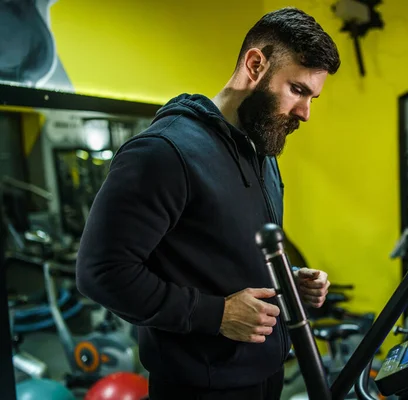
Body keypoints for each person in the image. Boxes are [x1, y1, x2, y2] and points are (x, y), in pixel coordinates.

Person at [75, 6, 341, 400]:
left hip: (265, 375)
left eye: (312, 97)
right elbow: (101, 272)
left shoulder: (261, 153)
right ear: (255, 64)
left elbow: (229, 252)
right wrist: (216, 315)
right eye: (298, 90)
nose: (305, 112)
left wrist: (292, 279)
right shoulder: (164, 152)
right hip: (199, 386)